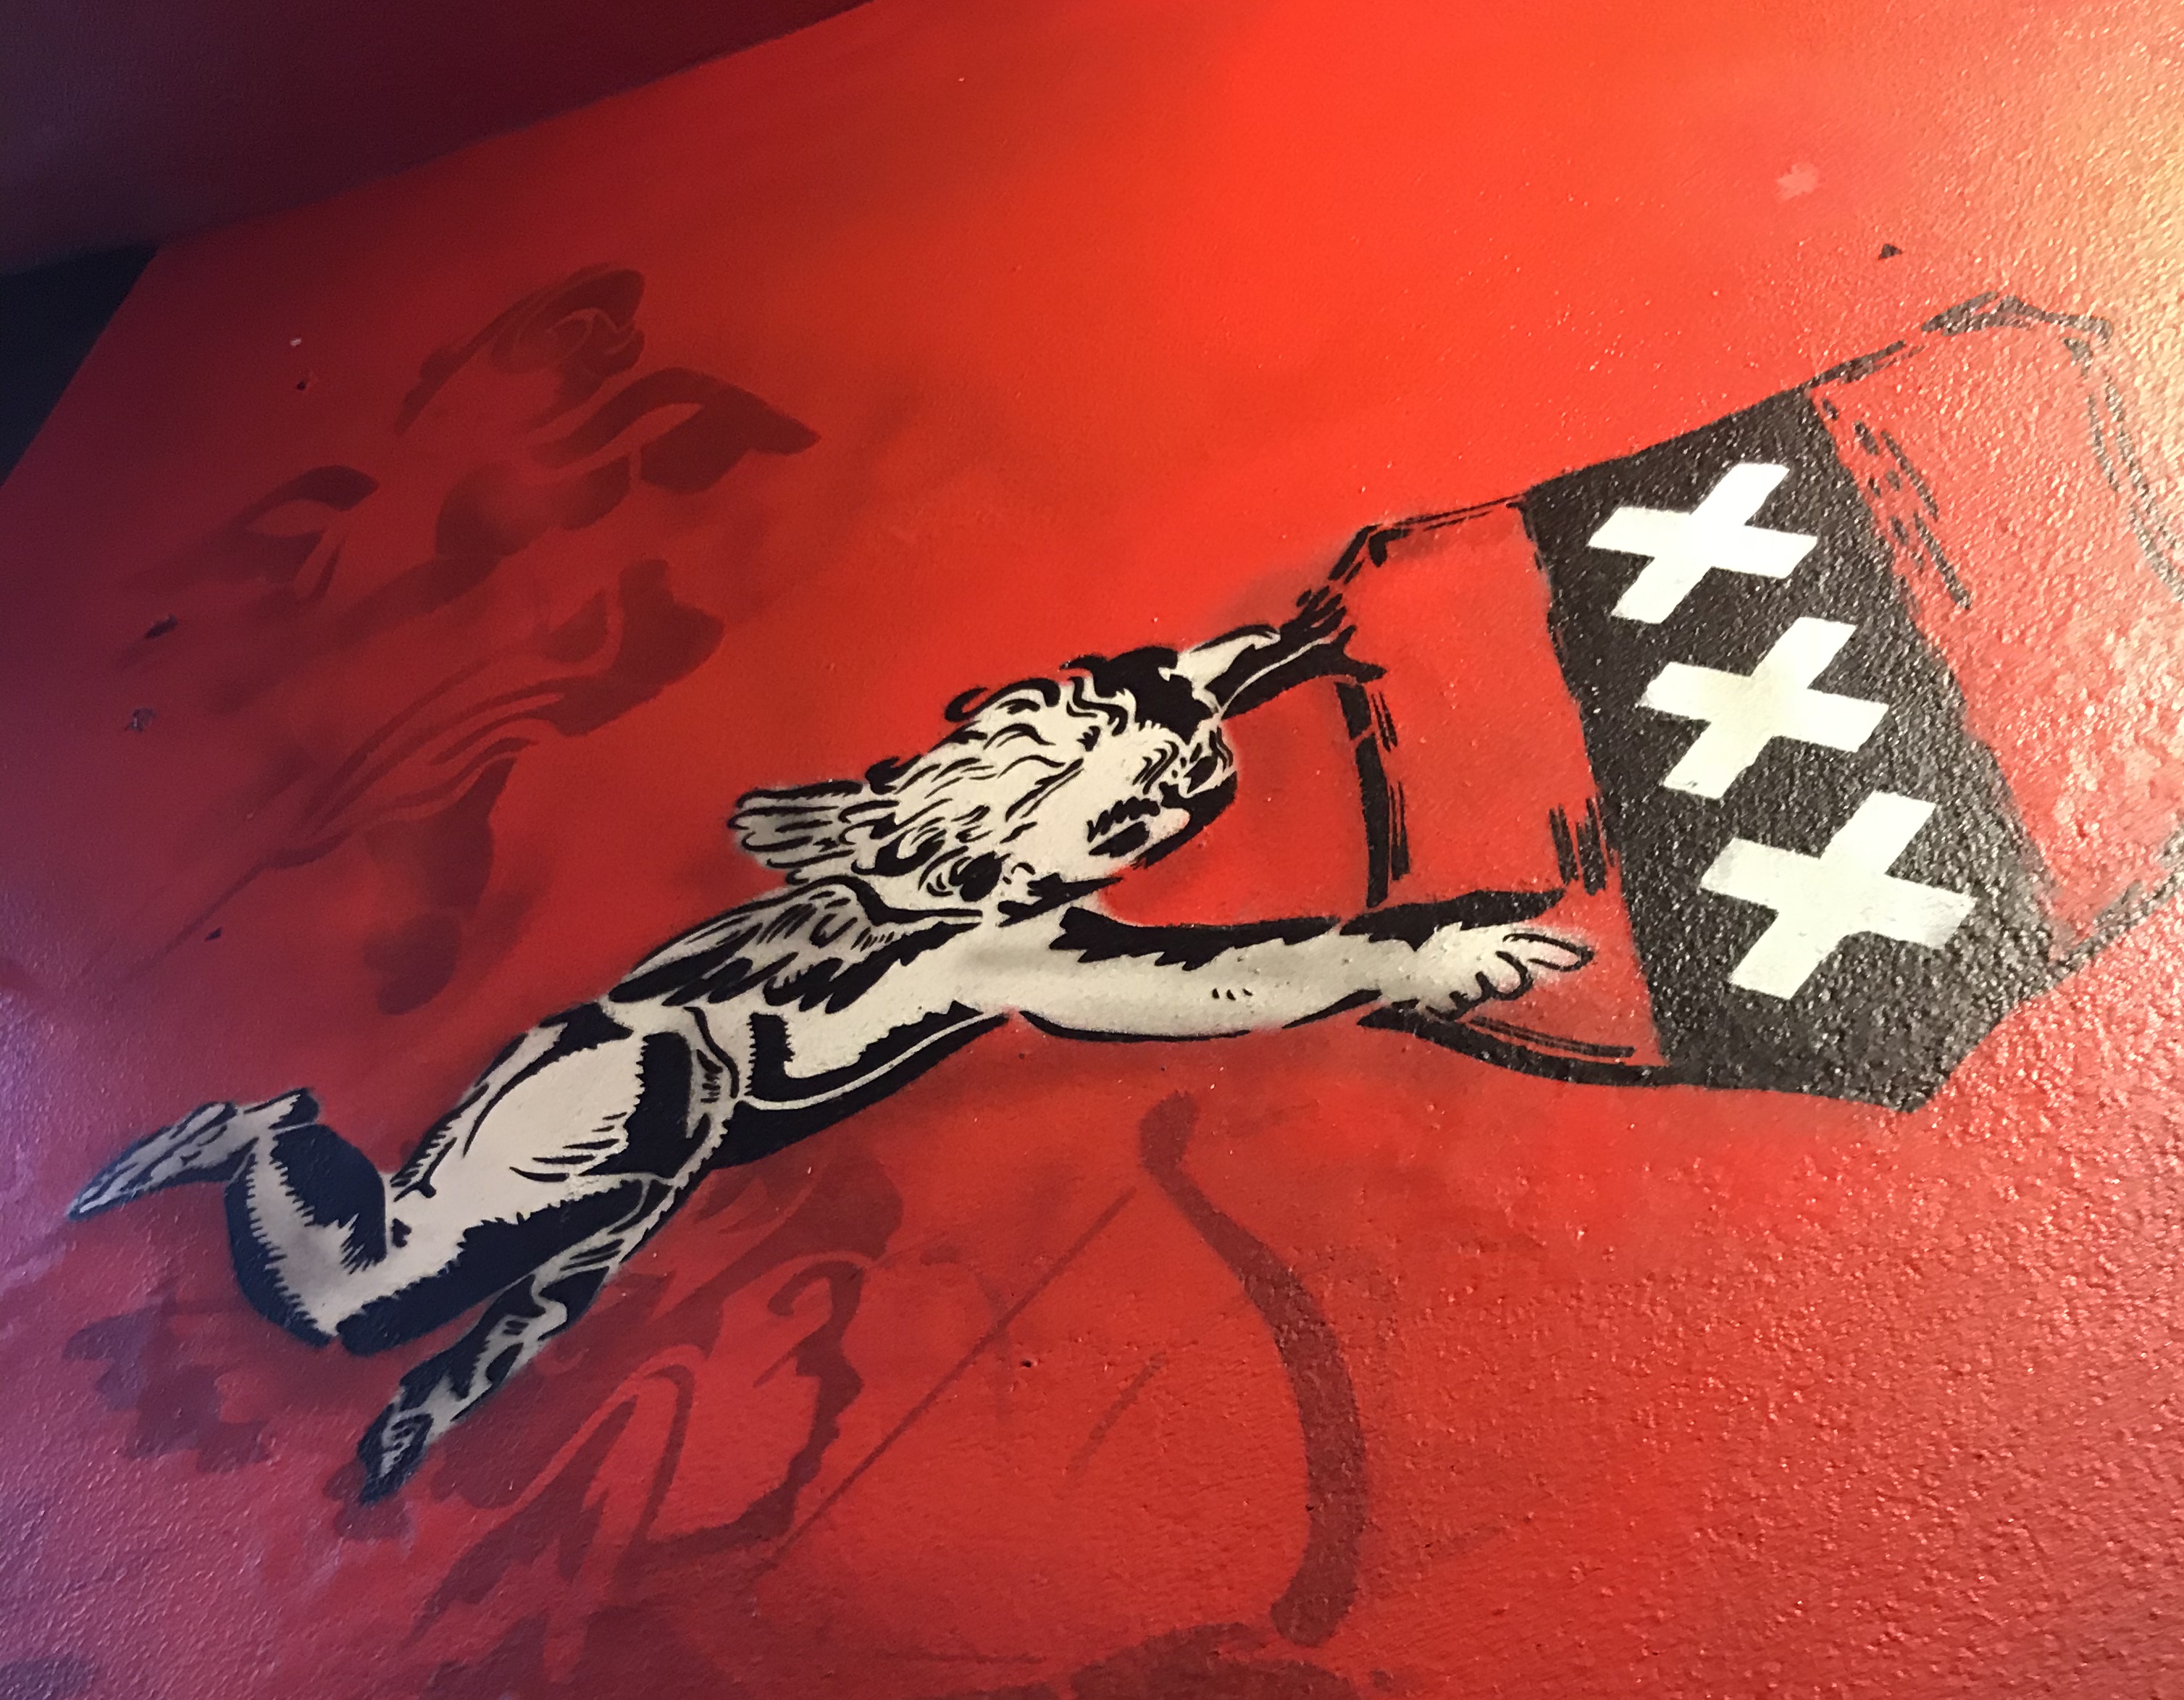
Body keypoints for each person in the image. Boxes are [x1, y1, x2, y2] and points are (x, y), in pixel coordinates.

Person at [70, 593, 1586, 1500]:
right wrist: (1416, 953)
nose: (1155, 831)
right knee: (359, 1294)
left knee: (417, 1274)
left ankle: (286, 1156)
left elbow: (1147, 705)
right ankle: (263, 1140)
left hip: (625, 1078)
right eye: (1140, 817)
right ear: (1050, 832)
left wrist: (1256, 664)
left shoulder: (933, 861)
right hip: (633, 1086)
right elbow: (1224, 982)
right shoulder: (998, 944)